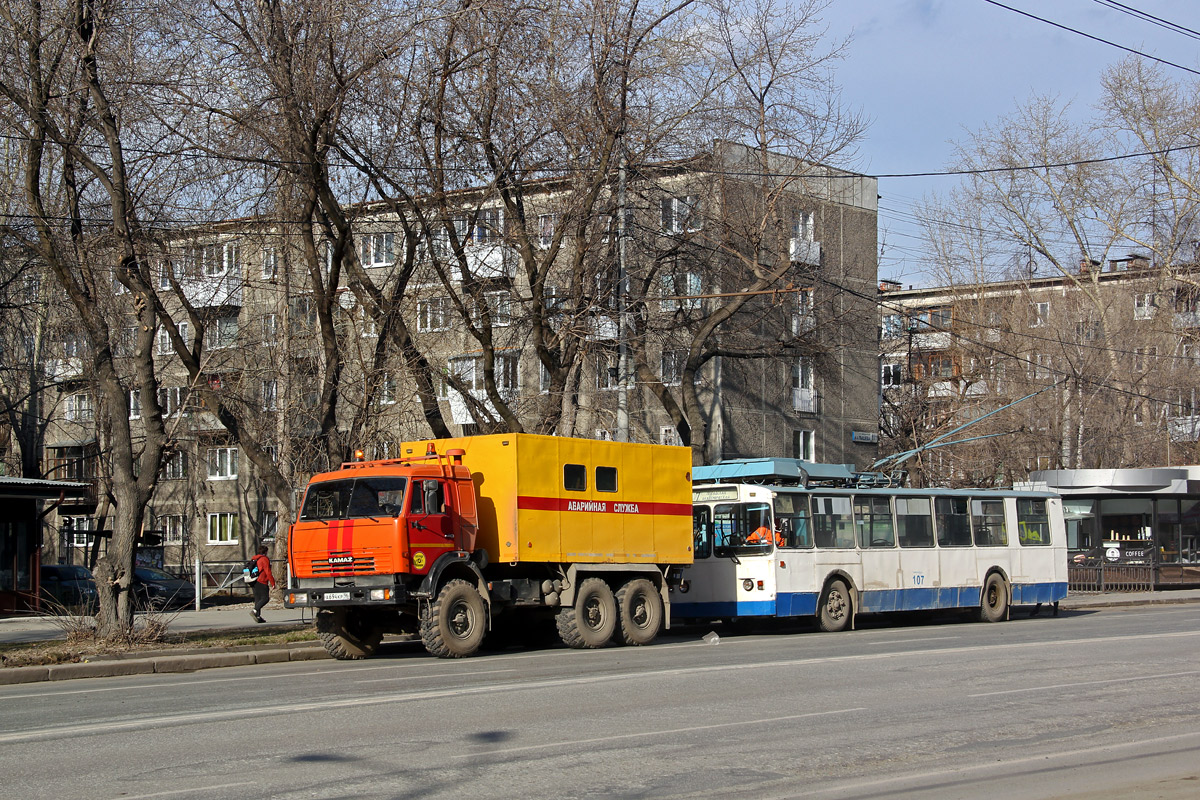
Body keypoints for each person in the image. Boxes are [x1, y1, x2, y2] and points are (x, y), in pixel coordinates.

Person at [249, 545, 276, 623]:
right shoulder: (264, 559)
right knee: (265, 598)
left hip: (253, 580)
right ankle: (254, 611)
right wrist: (273, 583)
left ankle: (258, 616)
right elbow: (268, 572)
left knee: (258, 599)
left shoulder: (254, 558)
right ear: (266, 552)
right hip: (262, 580)